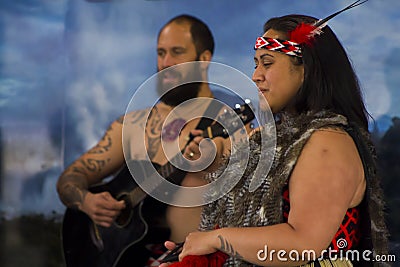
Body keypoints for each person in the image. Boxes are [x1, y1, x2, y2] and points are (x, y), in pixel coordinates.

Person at [161, 6, 390, 267]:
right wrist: (200, 252)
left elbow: (302, 245)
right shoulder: (279, 138)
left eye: (267, 63)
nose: (255, 76)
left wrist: (216, 239)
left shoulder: (328, 142)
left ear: (306, 70)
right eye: (256, 64)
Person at [57, 14, 250, 267]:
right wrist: (87, 202)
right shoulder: (133, 125)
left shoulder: (228, 125)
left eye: (177, 52)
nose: (165, 63)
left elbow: (250, 206)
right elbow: (70, 178)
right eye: (160, 53)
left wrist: (218, 162)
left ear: (204, 59)